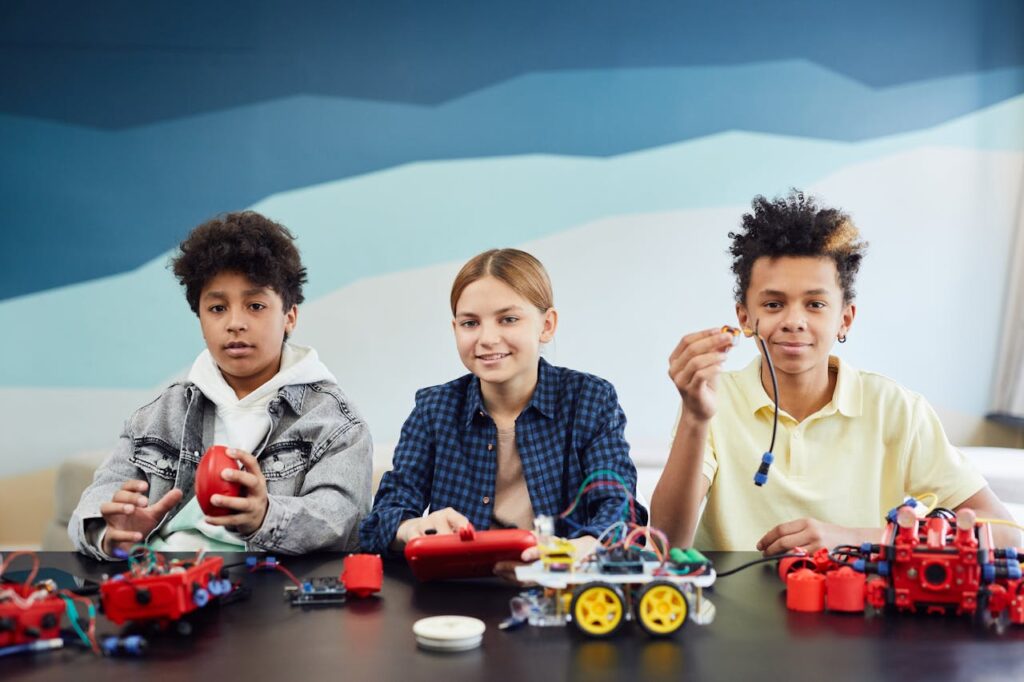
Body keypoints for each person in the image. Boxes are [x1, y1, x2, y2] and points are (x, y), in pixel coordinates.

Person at [652, 191, 1020, 554]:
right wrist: (695, 419)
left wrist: (858, 538)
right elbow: (665, 542)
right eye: (774, 304)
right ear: (744, 318)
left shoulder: (896, 409)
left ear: (845, 319)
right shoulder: (713, 401)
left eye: (815, 304)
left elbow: (1006, 536)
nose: (794, 321)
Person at [70, 211, 372, 559]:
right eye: (217, 308)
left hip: (269, 580)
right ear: (200, 318)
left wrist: (265, 517)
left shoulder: (335, 424)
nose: (235, 323)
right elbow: (95, 502)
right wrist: (110, 533)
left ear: (289, 316)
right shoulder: (158, 416)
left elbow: (343, 520)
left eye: (255, 305)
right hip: (162, 573)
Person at [359, 248, 646, 568]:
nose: (487, 338)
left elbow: (620, 510)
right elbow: (382, 519)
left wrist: (582, 547)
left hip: (557, 583)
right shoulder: (433, 409)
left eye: (508, 319)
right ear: (455, 329)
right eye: (470, 323)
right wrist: (412, 528)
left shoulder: (590, 400)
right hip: (459, 586)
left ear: (547, 325)